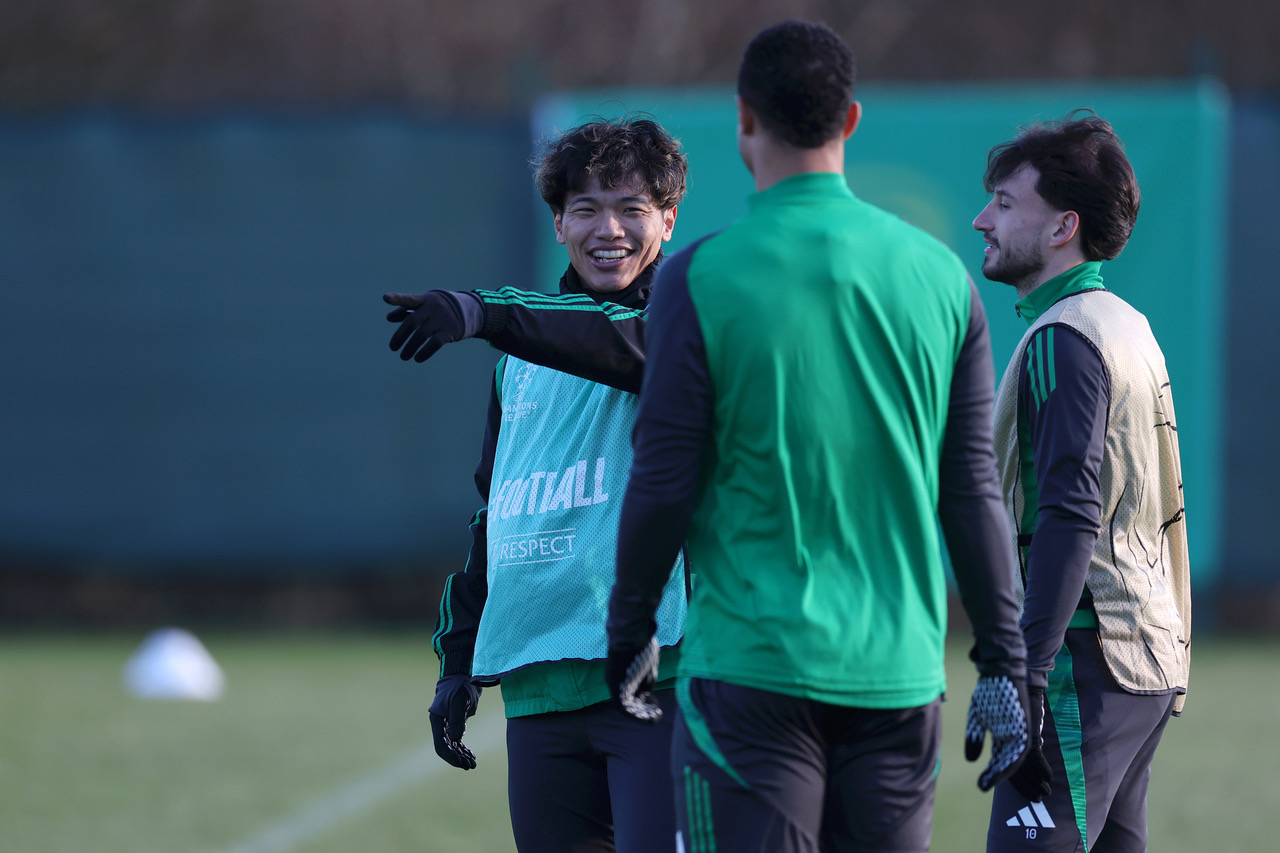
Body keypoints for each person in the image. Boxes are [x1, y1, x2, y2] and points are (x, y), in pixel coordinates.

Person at [602, 20, 1031, 853]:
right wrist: (1004, 661)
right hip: (899, 677)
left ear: (743, 119)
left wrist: (629, 629)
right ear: (852, 120)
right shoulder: (942, 277)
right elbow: (971, 490)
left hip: (751, 668)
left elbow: (663, 478)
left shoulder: (699, 275)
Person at [384, 117, 690, 853]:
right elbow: (495, 516)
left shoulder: (686, 323)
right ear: (558, 223)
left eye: (631, 208)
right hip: (538, 685)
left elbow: (623, 340)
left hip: (662, 677)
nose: (608, 230)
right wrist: (459, 659)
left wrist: (482, 310)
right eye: (586, 209)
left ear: (668, 220)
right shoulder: (517, 365)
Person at [972, 112, 1191, 852]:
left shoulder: (1062, 337)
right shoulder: (1127, 324)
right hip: (1145, 654)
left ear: (1063, 226)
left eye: (1005, 203)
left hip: (1083, 660)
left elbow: (1069, 514)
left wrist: (1026, 673)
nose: (982, 220)